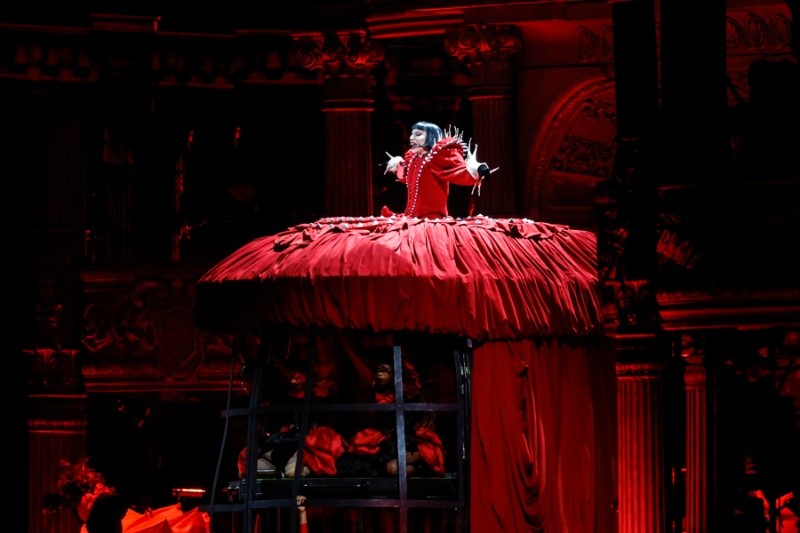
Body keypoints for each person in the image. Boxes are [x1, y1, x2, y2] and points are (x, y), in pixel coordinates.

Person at [383, 121, 496, 219]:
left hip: (432, 219)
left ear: (430, 137)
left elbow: (458, 170)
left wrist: (479, 169)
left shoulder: (437, 156)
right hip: (411, 217)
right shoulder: (413, 158)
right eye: (412, 134)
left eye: (418, 134)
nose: (412, 138)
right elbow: (407, 177)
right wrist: (399, 165)